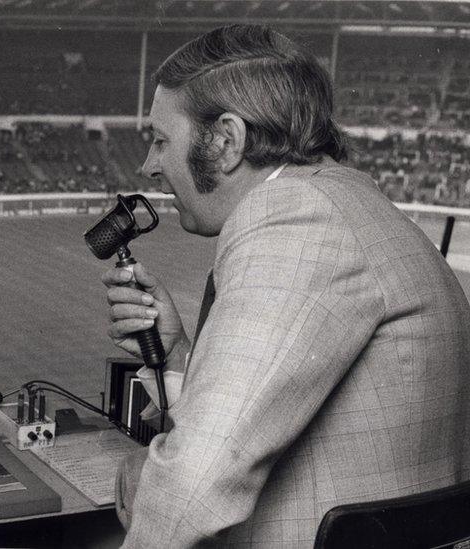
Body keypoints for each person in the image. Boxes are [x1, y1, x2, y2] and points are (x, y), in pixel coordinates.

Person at [103, 25, 470, 547]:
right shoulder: (347, 201)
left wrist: (155, 472)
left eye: (162, 140)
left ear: (226, 141)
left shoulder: (295, 217)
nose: (149, 165)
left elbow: (193, 483)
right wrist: (178, 354)